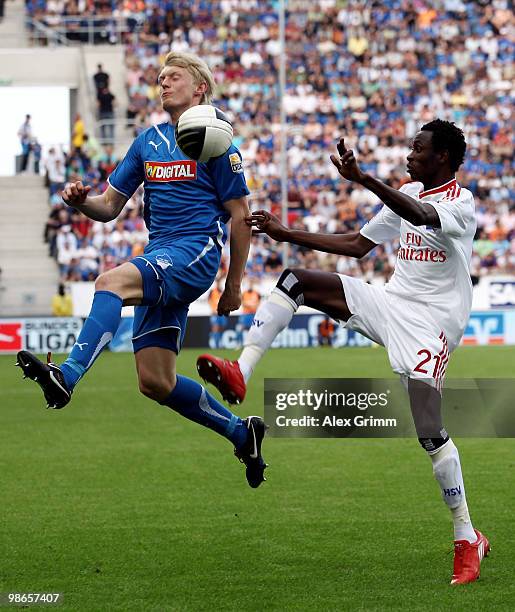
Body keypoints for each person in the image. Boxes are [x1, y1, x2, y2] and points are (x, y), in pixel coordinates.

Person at [197, 120, 490, 581]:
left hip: (432, 324)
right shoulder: (408, 190)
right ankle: (241, 369)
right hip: (392, 303)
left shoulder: (461, 203)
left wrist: (364, 180)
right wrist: (286, 233)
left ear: (445, 159)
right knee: (295, 280)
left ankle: (466, 536)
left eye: (419, 148)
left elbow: (421, 217)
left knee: (430, 431)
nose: (410, 154)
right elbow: (357, 246)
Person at [16, 51, 268, 489]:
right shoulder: (147, 141)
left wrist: (234, 285)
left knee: (109, 282)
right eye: (160, 77)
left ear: (200, 87)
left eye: (173, 76)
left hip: (194, 253)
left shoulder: (217, 141)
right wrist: (80, 202)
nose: (163, 82)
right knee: (155, 382)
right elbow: (109, 206)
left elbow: (240, 215)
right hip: (160, 253)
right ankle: (240, 432)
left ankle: (67, 376)